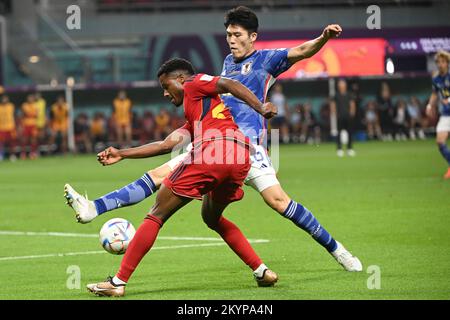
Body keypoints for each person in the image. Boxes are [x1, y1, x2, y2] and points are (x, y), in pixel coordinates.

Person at [65, 6, 361, 274]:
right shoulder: (226, 63)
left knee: (279, 202)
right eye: (228, 34)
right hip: (215, 142)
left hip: (248, 145)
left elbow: (302, 51)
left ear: (253, 36)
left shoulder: (267, 60)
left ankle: (338, 250)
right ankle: (260, 270)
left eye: (237, 34)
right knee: (199, 206)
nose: (231, 39)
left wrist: (323, 38)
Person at [76, 58, 279, 296]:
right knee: (211, 217)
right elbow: (164, 145)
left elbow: (228, 83)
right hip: (240, 157)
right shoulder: (197, 115)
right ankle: (262, 271)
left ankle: (118, 283)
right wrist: (122, 153)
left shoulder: (194, 83)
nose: (164, 93)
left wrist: (260, 106)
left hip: (215, 152)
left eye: (166, 85)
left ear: (181, 79)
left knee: (156, 214)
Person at [426, 50, 450, 179]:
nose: (440, 64)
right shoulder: (436, 78)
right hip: (446, 114)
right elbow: (435, 94)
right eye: (438, 62)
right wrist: (430, 105)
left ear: (447, 63)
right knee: (440, 141)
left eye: (443, 62)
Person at [330, 78, 356, 157]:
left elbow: (352, 104)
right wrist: (334, 113)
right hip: (340, 116)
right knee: (339, 133)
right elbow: (333, 105)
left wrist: (352, 113)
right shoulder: (336, 95)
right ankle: (339, 149)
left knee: (349, 132)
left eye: (342, 83)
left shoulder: (349, 94)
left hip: (348, 116)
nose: (341, 85)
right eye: (340, 84)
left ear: (345, 85)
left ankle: (350, 149)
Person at [20, 94, 39, 159]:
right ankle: (23, 153)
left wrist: (29, 114)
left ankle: (33, 153)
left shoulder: (36, 105)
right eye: (29, 98)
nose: (30, 99)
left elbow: (36, 115)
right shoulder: (24, 105)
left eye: (31, 98)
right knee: (24, 139)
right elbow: (23, 115)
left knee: (33, 139)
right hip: (26, 124)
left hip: (33, 124)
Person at [0, 95, 17, 161]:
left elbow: (14, 115)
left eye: (5, 99)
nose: (4, 100)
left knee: (12, 142)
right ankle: (1, 155)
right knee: (1, 142)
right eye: (3, 99)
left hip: (10, 127)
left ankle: (12, 155)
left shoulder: (11, 106)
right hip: (1, 127)